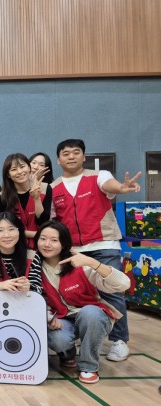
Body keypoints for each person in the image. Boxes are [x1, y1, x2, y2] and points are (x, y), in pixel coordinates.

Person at [51, 138, 141, 362]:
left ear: (83, 156)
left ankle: (120, 341)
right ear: (58, 159)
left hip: (103, 245)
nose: (71, 156)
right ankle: (86, 335)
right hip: (73, 251)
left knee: (111, 291)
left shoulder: (99, 176)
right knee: (76, 293)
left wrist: (122, 188)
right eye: (66, 153)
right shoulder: (54, 187)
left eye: (76, 152)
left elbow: (112, 186)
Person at [35, 221, 130, 384]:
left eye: (54, 240)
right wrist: (48, 317)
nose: (47, 244)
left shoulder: (80, 265)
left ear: (64, 243)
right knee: (59, 340)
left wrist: (93, 263)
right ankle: (68, 354)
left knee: (90, 312)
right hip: (61, 319)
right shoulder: (34, 267)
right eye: (43, 239)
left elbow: (123, 284)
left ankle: (88, 366)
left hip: (92, 316)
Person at [0, 212, 42, 293]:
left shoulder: (32, 256)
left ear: (19, 231)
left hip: (24, 303)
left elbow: (38, 290)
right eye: (0, 230)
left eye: (11, 229)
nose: (6, 235)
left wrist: (29, 287)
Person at [1, 153, 52, 248]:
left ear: (29, 168)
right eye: (14, 169)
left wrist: (36, 198)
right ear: (8, 174)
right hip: (14, 247)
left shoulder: (45, 188)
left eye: (22, 167)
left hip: (42, 246)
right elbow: (6, 228)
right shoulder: (2, 196)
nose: (19, 172)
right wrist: (34, 234)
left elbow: (43, 221)